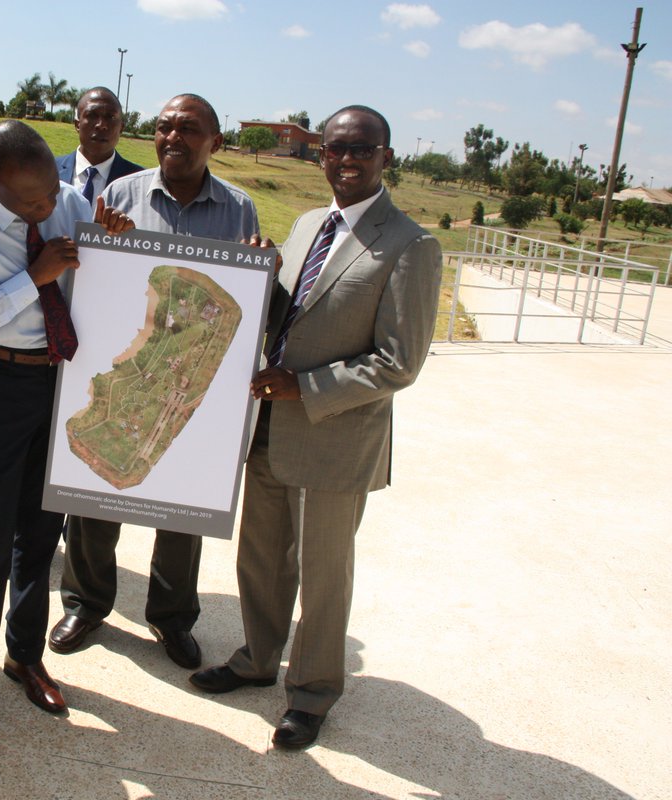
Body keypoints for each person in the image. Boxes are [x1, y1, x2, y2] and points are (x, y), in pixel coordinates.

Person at [188, 105, 443, 750]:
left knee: (324, 572)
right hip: (270, 426)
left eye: (362, 149)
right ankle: (256, 660)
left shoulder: (410, 245)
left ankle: (312, 691)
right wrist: (262, 276)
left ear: (387, 157)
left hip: (335, 435)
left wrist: (303, 388)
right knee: (262, 555)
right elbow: (288, 316)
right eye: (334, 150)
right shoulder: (306, 225)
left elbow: (399, 361)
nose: (346, 161)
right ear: (319, 155)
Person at [50, 93, 271, 670]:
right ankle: (86, 601)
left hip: (184, 375)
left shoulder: (238, 209)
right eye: (165, 127)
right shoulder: (120, 195)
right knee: (95, 493)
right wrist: (102, 241)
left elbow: (239, 293)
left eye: (189, 130)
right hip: (131, 354)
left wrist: (257, 260)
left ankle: (171, 618)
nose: (173, 138)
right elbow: (97, 276)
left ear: (214, 143)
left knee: (182, 500)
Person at [0, 120, 132, 732]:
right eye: (31, 202)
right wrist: (30, 279)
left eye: (52, 193)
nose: (49, 207)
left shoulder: (68, 200)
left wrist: (106, 246)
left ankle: (25, 657)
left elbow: (88, 280)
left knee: (42, 533)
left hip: (60, 382)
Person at [55, 87, 143, 203]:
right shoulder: (49, 171)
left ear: (121, 128)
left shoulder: (139, 182)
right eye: (92, 115)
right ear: (77, 124)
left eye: (110, 117)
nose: (101, 125)